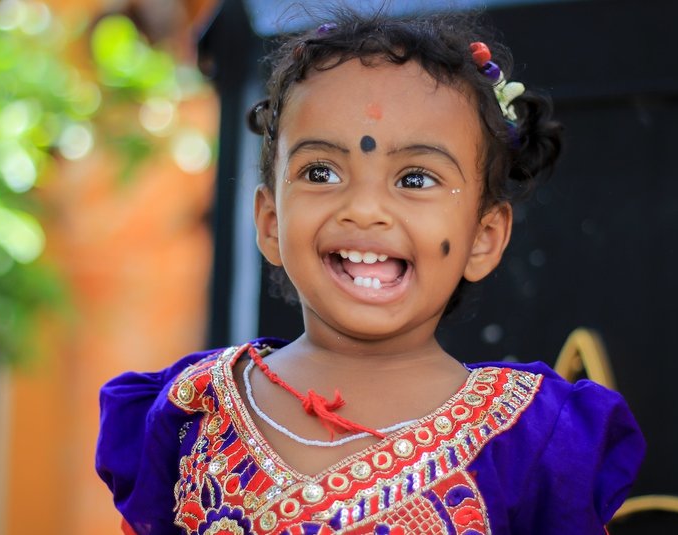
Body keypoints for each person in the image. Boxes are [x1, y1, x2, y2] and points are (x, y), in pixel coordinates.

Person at [96, 10, 644, 535]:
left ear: (484, 237)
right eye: (321, 172)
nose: (364, 209)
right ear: (270, 222)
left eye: (415, 179)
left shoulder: (536, 436)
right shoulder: (190, 410)